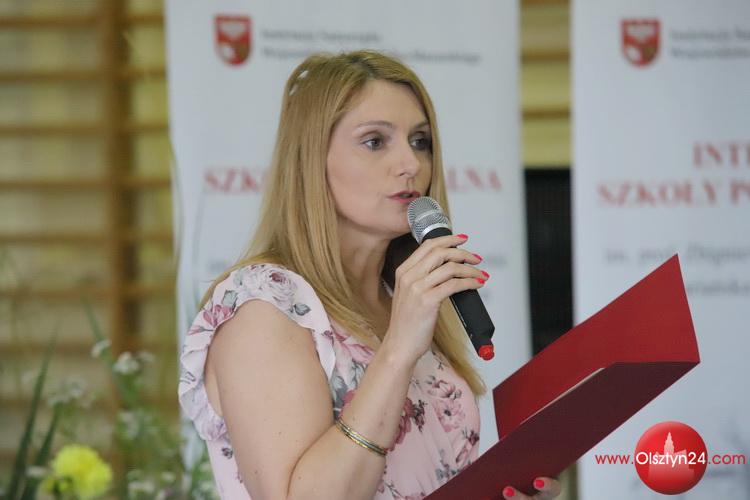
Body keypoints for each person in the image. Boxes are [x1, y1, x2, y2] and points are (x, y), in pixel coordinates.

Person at [178, 50, 561, 500]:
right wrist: (396, 352)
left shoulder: (397, 299)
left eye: (420, 141)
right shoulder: (265, 306)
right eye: (375, 142)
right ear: (311, 160)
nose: (410, 164)